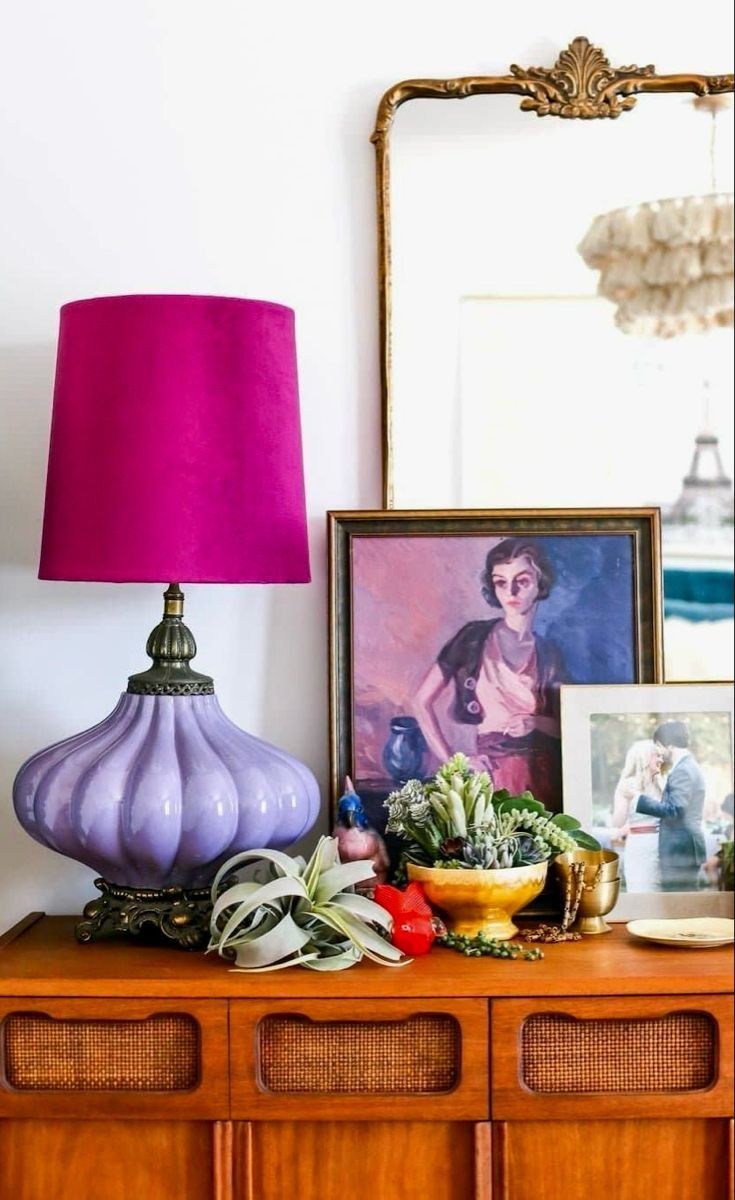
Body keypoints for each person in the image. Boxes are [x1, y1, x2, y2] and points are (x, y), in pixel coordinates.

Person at [413, 539, 565, 810]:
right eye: (501, 582)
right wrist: (453, 761)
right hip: (493, 771)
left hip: (544, 774)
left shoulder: (549, 652)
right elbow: (420, 702)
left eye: (523, 580)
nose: (511, 591)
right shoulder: (473, 638)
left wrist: (535, 723)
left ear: (540, 585)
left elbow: (569, 724)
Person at [634, 720, 706, 891]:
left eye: (658, 745)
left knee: (679, 906)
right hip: (683, 849)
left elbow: (675, 810)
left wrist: (639, 800)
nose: (658, 751)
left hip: (680, 852)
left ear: (670, 745)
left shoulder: (683, 769)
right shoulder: (688, 766)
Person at [610, 739, 664, 893]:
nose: (661, 760)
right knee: (642, 889)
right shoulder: (627, 784)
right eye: (657, 756)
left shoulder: (661, 783)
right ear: (644, 757)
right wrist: (624, 798)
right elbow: (618, 822)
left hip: (662, 845)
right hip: (639, 846)